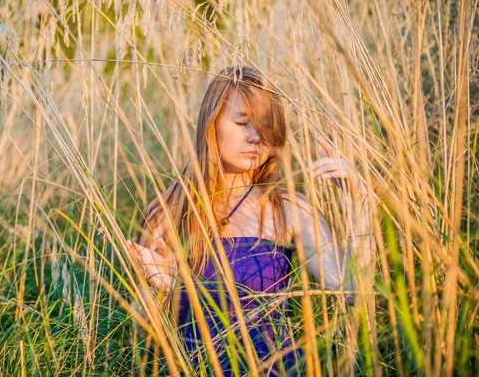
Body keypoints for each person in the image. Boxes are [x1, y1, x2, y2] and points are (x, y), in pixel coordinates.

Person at [124, 66, 374, 376]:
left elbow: (351, 290)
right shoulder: (170, 211)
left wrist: (360, 201)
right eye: (243, 123)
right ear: (211, 122)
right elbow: (137, 337)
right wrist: (161, 291)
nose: (256, 137)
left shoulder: (287, 210)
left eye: (266, 127)